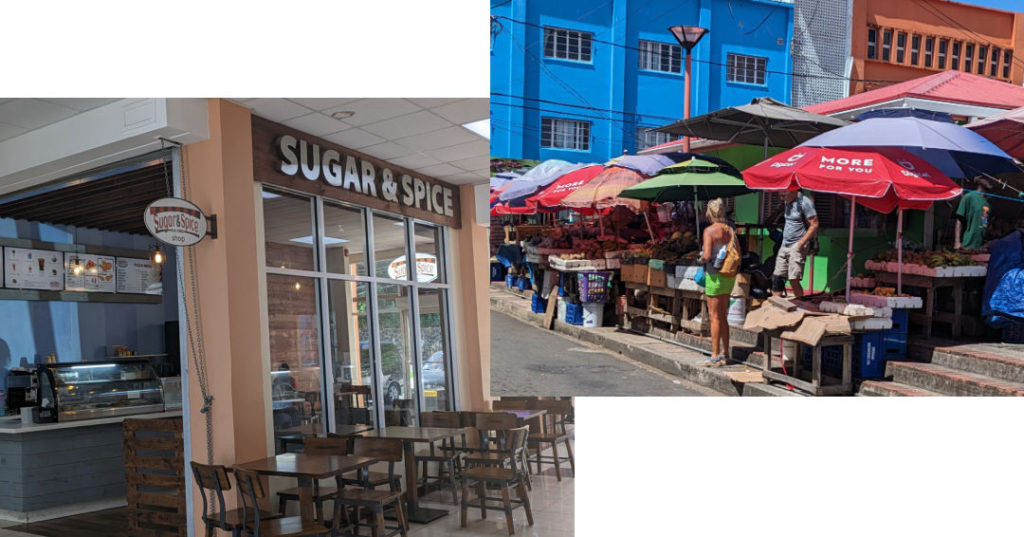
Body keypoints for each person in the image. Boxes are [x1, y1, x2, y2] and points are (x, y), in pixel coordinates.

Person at [696, 199, 737, 367]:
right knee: (723, 315)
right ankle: (725, 353)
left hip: (714, 274)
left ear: (709, 213)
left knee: (713, 316)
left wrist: (699, 260)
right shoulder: (730, 230)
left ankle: (714, 354)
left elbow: (706, 256)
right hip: (729, 275)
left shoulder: (709, 231)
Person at [772, 190, 818, 298]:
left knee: (793, 279)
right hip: (785, 244)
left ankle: (800, 304)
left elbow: (814, 224)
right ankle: (774, 307)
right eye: (780, 191)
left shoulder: (805, 203)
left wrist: (801, 243)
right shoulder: (787, 201)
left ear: (794, 189)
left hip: (797, 245)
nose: (780, 193)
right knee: (777, 278)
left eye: (784, 191)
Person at [955, 177, 992, 251]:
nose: (991, 181)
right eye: (988, 178)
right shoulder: (969, 197)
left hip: (980, 246)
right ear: (980, 181)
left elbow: (984, 221)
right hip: (966, 244)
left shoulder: (987, 203)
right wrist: (957, 242)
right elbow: (959, 221)